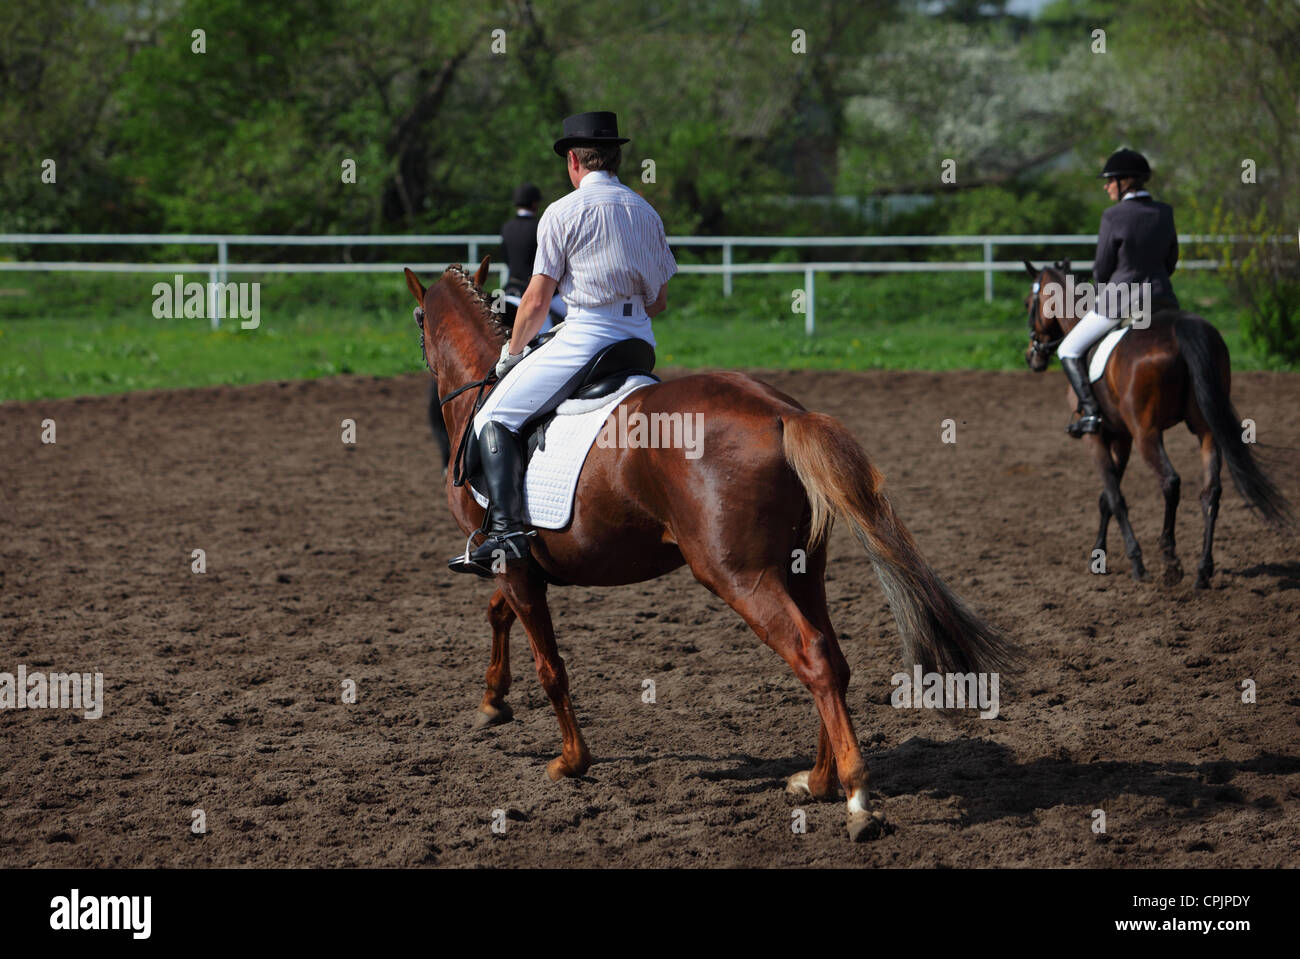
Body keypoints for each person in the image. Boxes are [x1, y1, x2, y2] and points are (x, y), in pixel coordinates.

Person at [449, 110, 677, 577]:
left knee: (494, 415)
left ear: (573, 160)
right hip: (638, 344)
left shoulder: (562, 212)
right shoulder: (646, 211)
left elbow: (535, 301)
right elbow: (659, 302)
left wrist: (511, 354)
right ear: (615, 158)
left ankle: (507, 533)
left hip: (588, 338)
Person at [1058, 148, 1180, 437]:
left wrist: (1102, 290)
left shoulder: (1113, 216)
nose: (1106, 185)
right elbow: (1171, 259)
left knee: (1068, 348)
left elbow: (1102, 268)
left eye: (1110, 180)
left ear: (1126, 181)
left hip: (1122, 301)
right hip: (1163, 299)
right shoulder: (1165, 212)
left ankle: (1090, 414)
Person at [500, 182, 567, 332]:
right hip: (537, 289)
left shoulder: (507, 227)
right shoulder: (539, 226)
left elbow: (506, 258)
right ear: (534, 203)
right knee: (573, 317)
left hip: (511, 287)